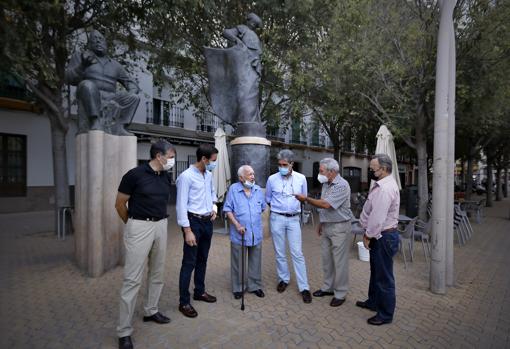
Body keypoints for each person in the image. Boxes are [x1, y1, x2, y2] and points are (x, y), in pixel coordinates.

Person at [114, 140, 176, 349]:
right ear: (159, 156)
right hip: (140, 226)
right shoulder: (134, 175)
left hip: (161, 226)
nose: (172, 160)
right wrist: (133, 225)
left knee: (157, 273)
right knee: (132, 279)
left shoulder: (165, 176)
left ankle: (151, 310)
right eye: (170, 156)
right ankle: (124, 331)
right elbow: (120, 204)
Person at [295, 158, 353, 307]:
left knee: (339, 262)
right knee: (327, 260)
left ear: (331, 172)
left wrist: (306, 199)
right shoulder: (327, 184)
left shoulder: (342, 185)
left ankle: (340, 293)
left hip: (339, 227)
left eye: (321, 171)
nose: (319, 174)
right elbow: (325, 205)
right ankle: (328, 288)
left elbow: (326, 204)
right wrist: (321, 222)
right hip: (327, 226)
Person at [65, 29, 140, 135]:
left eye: (100, 39)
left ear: (105, 44)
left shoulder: (115, 65)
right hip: (91, 94)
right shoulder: (81, 56)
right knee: (87, 84)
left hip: (111, 97)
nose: (98, 41)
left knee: (134, 97)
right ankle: (95, 121)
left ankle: (121, 126)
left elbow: (131, 84)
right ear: (89, 44)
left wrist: (132, 92)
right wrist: (82, 66)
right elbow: (69, 78)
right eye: (94, 39)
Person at [357, 154, 400, 326]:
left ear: (383, 169)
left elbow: (377, 217)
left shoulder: (384, 188)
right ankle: (373, 302)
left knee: (384, 277)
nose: (371, 170)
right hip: (380, 235)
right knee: (376, 272)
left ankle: (385, 314)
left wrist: (368, 235)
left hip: (382, 236)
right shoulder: (382, 184)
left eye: (373, 168)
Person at [176, 144, 219, 318]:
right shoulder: (185, 177)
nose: (214, 164)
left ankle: (199, 292)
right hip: (193, 222)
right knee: (189, 262)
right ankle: (184, 302)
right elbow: (180, 206)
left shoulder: (208, 175)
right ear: (203, 159)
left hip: (207, 221)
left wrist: (214, 207)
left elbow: (212, 193)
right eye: (213, 161)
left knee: (203, 259)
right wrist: (187, 230)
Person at [266, 149, 312, 303]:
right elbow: (268, 198)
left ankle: (304, 287)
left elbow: (304, 198)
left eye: (285, 164)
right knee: (279, 252)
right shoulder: (272, 179)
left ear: (292, 164)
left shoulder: (301, 178)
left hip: (293, 220)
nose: (281, 167)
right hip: (277, 218)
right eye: (279, 164)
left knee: (297, 253)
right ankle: (283, 279)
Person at [223, 165, 266, 299]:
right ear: (241, 177)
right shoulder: (233, 190)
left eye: (253, 174)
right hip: (239, 233)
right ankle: (238, 287)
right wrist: (237, 224)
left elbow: (263, 208)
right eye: (249, 174)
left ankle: (255, 286)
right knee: (238, 263)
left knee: (255, 262)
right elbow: (227, 209)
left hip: (255, 233)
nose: (253, 176)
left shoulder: (258, 190)